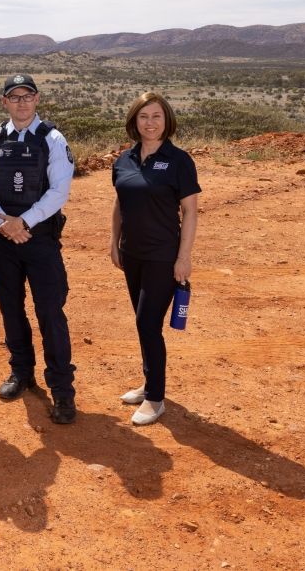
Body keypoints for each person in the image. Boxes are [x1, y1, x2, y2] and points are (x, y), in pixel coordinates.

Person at [0, 74, 77, 424]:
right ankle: (21, 372)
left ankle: (62, 390)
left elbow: (59, 191)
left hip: (40, 240)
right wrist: (4, 224)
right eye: (14, 97)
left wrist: (24, 222)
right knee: (11, 309)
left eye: (27, 96)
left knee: (50, 312)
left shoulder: (52, 139)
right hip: (3, 240)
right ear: (4, 102)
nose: (21, 102)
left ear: (36, 99)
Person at [109, 91, 200, 426]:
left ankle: (156, 398)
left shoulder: (178, 161)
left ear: (167, 120)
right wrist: (113, 241)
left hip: (164, 255)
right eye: (144, 116)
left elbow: (190, 211)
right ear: (135, 120)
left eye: (156, 116)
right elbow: (120, 203)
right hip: (132, 253)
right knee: (142, 322)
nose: (150, 123)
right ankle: (149, 383)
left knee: (148, 323)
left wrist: (183, 257)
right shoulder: (123, 160)